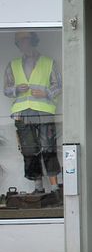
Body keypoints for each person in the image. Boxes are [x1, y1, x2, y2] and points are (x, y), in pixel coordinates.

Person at [3, 31, 62, 197]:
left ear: (33, 41)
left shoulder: (48, 62)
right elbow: (6, 89)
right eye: (20, 42)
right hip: (22, 113)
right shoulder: (13, 64)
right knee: (30, 150)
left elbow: (58, 85)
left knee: (48, 148)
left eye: (25, 41)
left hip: (44, 112)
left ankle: (56, 189)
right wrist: (15, 89)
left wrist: (46, 94)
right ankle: (38, 188)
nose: (23, 45)